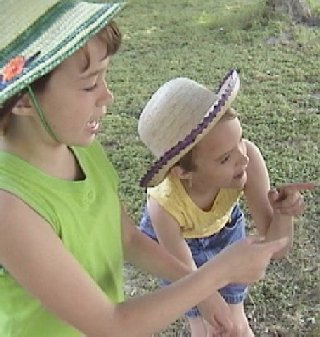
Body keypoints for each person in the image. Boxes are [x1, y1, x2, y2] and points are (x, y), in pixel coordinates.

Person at [0, 1, 289, 336]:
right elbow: (111, 324)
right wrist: (218, 274)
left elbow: (127, 237)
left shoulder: (82, 150)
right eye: (90, 83)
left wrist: (204, 292)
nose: (107, 95)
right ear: (22, 98)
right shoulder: (10, 206)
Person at [138, 70, 315, 336]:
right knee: (208, 327)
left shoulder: (248, 160)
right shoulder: (163, 208)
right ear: (182, 172)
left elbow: (276, 249)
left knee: (236, 321)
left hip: (224, 229)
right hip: (178, 247)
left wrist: (283, 214)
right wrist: (213, 313)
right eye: (224, 159)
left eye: (240, 140)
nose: (242, 159)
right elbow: (190, 282)